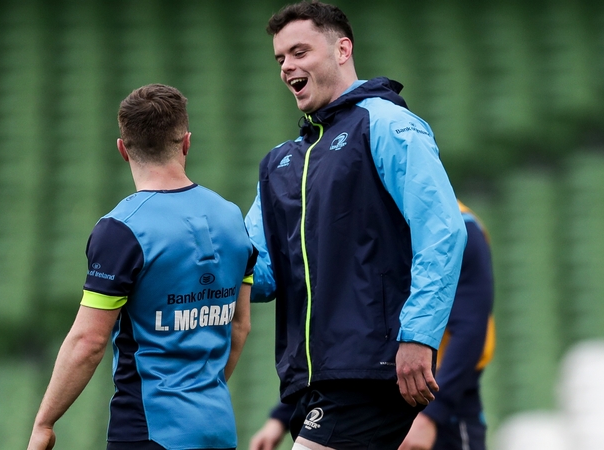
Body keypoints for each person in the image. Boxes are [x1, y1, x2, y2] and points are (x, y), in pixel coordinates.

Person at [244, 2, 467, 449]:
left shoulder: (387, 124)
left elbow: (442, 231)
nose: (288, 66)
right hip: (310, 377)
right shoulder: (282, 161)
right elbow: (261, 270)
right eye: (281, 58)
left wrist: (419, 337)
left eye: (300, 52)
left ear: (342, 49)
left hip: (373, 366)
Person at [27, 84, 256, 450]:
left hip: (149, 431)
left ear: (122, 149)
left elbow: (89, 341)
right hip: (218, 428)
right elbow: (240, 327)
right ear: (186, 142)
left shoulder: (122, 229)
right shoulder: (231, 217)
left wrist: (44, 423)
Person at [250, 201, 495, 450]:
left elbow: (470, 331)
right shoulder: (370, 224)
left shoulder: (458, 226)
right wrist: (281, 417)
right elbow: (347, 334)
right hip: (375, 399)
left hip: (440, 403)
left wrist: (432, 417)